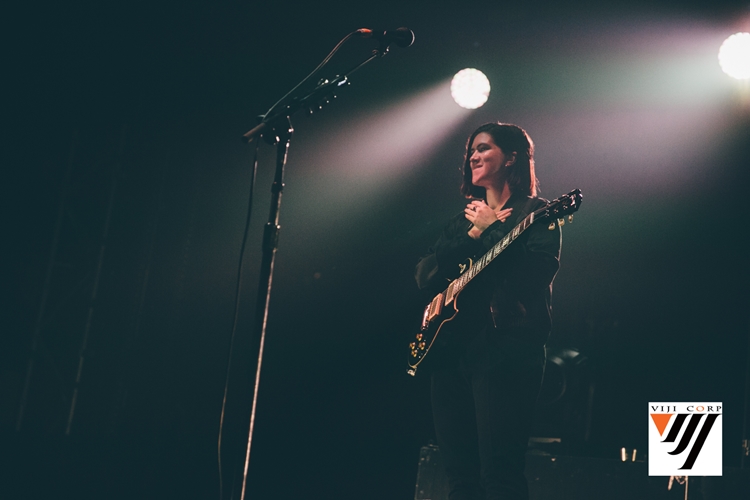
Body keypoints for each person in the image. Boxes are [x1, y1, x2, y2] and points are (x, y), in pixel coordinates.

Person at [414, 122, 562, 500]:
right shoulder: (463, 221)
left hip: (505, 353)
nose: (474, 156)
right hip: (451, 356)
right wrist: (472, 234)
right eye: (471, 151)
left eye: (484, 148)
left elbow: (533, 276)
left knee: (500, 476)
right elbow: (425, 275)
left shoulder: (538, 214)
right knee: (460, 480)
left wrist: (492, 231)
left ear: (511, 157)